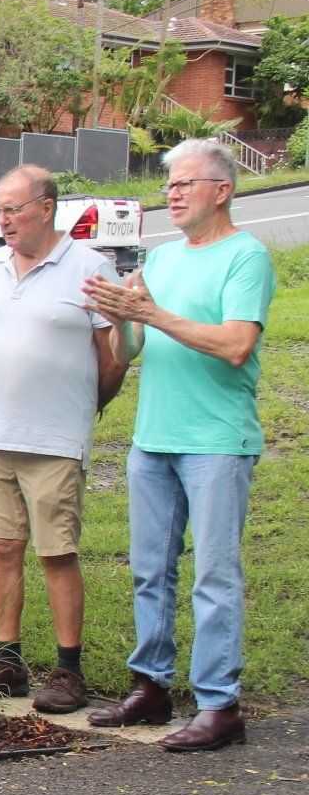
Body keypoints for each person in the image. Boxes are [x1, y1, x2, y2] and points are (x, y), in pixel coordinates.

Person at [83, 139, 276, 752]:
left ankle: (220, 705)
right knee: (149, 570)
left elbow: (235, 344)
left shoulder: (246, 258)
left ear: (221, 190)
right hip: (153, 438)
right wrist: (120, 316)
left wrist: (153, 312)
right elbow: (128, 351)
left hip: (217, 440)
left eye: (185, 183)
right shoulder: (161, 260)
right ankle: (151, 684)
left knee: (214, 574)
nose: (172, 194)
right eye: (169, 185)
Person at [0, 166, 126, 711]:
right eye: (0, 210)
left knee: (57, 552)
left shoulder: (89, 267)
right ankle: (7, 657)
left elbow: (114, 357)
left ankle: (68, 669)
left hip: (56, 438)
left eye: (13, 209)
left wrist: (87, 407)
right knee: (2, 546)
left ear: (47, 207)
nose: (4, 219)